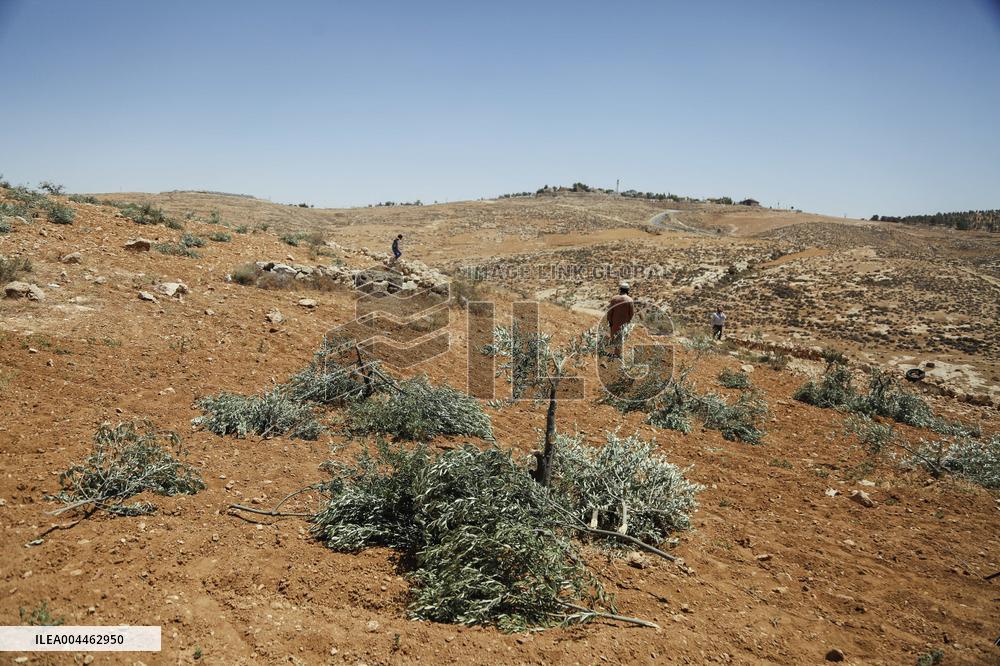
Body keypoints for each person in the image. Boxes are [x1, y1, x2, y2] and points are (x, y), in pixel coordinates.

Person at [606, 282, 635, 358]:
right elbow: (631, 313)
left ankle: (616, 353)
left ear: (620, 290)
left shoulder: (614, 298)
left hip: (614, 322)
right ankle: (617, 354)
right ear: (628, 291)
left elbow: (610, 311)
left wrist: (609, 320)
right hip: (624, 323)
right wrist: (629, 321)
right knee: (621, 338)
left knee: (614, 337)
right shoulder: (630, 300)